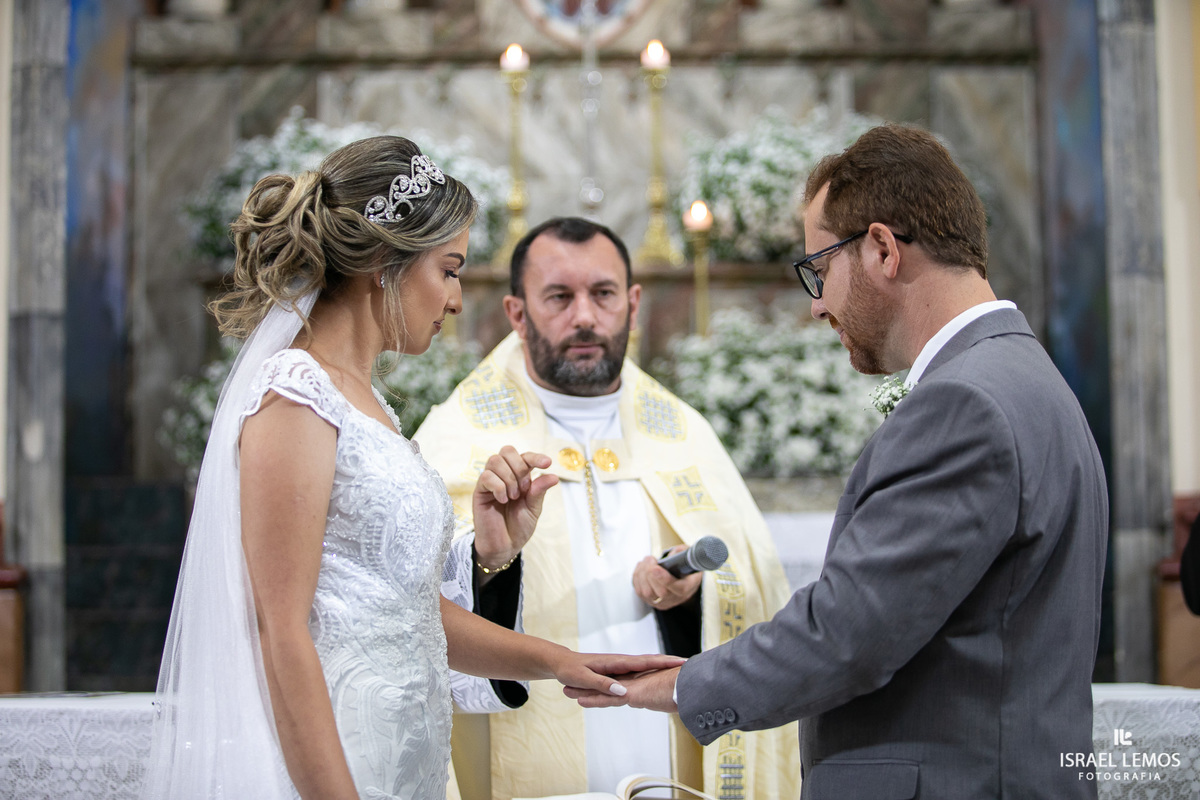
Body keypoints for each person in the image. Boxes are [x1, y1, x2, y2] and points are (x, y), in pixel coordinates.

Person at [568, 124, 1110, 800]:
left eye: (819, 270)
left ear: (882, 248)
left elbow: (852, 631)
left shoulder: (965, 406)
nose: (818, 303)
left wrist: (680, 685)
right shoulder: (1024, 377)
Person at [142, 138, 681, 800]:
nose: (455, 300)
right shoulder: (295, 395)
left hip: (406, 765)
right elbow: (278, 630)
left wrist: (561, 660)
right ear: (382, 264)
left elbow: (406, 615)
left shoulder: (367, 404)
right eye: (449, 269)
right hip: (336, 763)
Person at [414, 217, 800, 800]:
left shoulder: (683, 437)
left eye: (603, 294)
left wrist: (688, 601)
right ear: (517, 313)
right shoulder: (458, 438)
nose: (586, 317)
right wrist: (490, 561)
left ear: (634, 303)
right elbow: (415, 615)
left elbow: (754, 598)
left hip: (666, 752)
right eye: (559, 298)